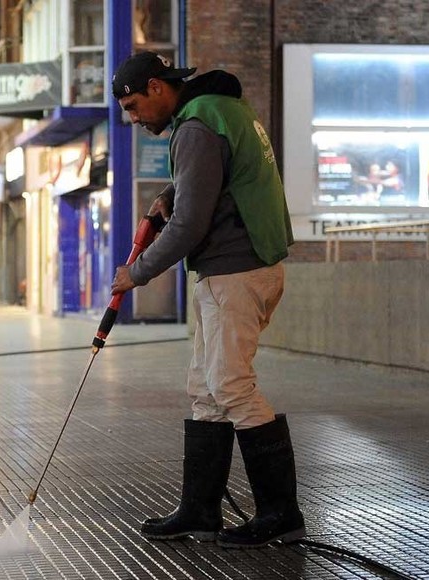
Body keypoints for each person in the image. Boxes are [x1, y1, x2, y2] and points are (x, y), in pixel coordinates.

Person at [110, 52, 303, 548]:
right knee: (205, 386)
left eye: (134, 106)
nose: (134, 119)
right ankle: (200, 511)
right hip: (241, 266)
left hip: (234, 270)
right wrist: (174, 190)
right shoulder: (221, 108)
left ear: (157, 87)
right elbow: (221, 175)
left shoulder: (194, 126)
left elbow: (190, 226)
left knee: (231, 386)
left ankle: (280, 515)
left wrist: (137, 273)